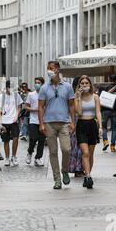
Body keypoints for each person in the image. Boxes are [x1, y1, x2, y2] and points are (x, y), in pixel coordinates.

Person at [39, 61, 76, 190]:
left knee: (67, 149)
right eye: (47, 68)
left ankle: (64, 170)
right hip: (49, 123)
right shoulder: (44, 88)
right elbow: (40, 107)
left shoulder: (67, 86)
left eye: (51, 68)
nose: (49, 70)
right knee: (53, 152)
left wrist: (73, 121)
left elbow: (72, 105)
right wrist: (41, 123)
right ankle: (57, 179)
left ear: (57, 70)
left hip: (64, 122)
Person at [74, 76, 103, 189]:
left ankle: (87, 175)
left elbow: (98, 112)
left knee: (90, 154)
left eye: (87, 83)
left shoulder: (95, 97)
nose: (85, 85)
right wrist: (79, 97)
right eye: (82, 83)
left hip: (92, 125)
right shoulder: (77, 97)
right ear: (79, 85)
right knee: (85, 152)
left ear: (90, 85)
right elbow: (79, 112)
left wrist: (100, 126)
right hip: (81, 125)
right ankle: (89, 176)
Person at [0, 80, 24, 167]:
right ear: (6, 87)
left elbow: (20, 107)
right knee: (6, 140)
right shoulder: (1, 97)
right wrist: (0, 122)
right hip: (4, 121)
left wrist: (16, 116)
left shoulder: (16, 95)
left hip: (14, 121)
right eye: (10, 87)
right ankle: (7, 158)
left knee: (16, 138)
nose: (11, 89)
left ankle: (14, 156)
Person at [25, 77, 46, 167]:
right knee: (33, 138)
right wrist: (33, 109)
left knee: (42, 140)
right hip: (33, 120)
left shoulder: (45, 95)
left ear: (42, 84)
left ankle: (38, 158)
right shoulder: (31, 94)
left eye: (39, 83)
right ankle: (30, 152)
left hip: (44, 120)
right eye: (36, 82)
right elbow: (26, 107)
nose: (37, 84)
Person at [100, 75, 116, 153]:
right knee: (114, 129)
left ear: (109, 79)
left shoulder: (105, 87)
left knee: (104, 128)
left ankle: (105, 141)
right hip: (115, 110)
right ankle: (113, 146)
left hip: (105, 110)